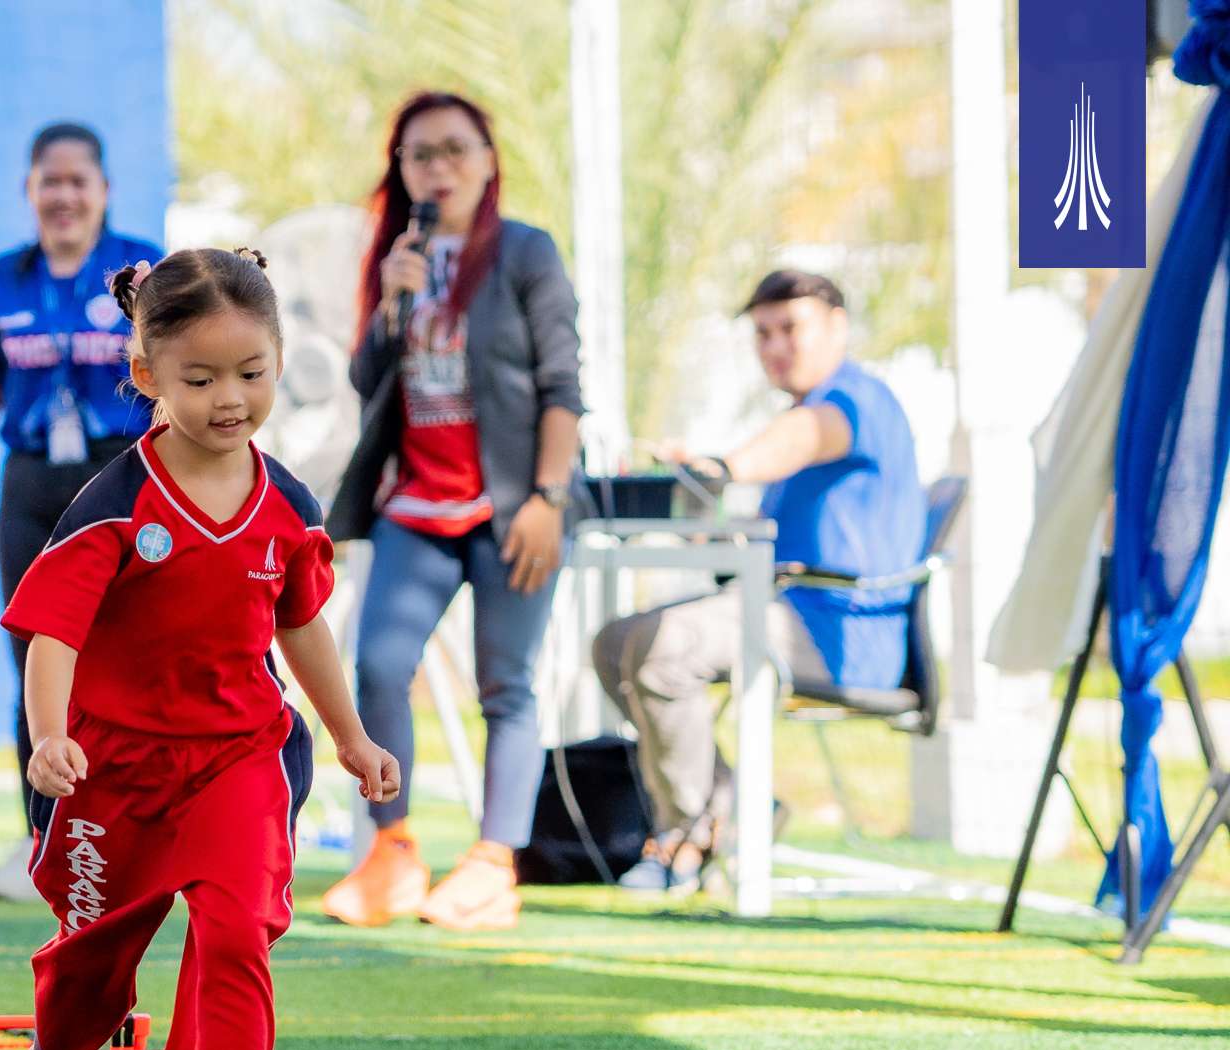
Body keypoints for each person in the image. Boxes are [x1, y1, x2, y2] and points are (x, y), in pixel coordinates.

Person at [0, 248, 400, 1050]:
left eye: (251, 372)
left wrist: (350, 736)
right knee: (91, 973)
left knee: (235, 935)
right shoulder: (112, 503)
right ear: (144, 377)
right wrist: (49, 738)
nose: (231, 399)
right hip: (112, 775)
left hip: (238, 761)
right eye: (201, 378)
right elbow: (56, 635)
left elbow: (298, 624)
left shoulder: (288, 506)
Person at [320, 91, 585, 934]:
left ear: (488, 158)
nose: (439, 167)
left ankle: (493, 862)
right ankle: (391, 848)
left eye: (455, 149)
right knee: (377, 667)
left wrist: (547, 498)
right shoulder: (395, 255)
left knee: (505, 682)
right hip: (417, 505)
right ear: (401, 171)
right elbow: (367, 383)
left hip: (511, 509)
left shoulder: (525, 253)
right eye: (420, 155)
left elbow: (562, 388)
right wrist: (393, 303)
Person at [592, 269, 925, 890]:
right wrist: (694, 508)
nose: (775, 347)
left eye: (790, 328)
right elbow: (752, 545)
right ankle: (739, 809)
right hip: (781, 608)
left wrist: (721, 468)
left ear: (837, 325)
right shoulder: (800, 423)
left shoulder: (854, 401)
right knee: (615, 643)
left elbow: (804, 436)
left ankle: (687, 840)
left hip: (843, 631)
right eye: (763, 334)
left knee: (664, 646)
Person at [0, 121, 161, 903]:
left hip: (122, 477)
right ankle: (44, 838)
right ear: (29, 191)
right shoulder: (2, 279)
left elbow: (182, 374)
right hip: (30, 485)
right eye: (50, 181)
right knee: (36, 661)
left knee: (128, 660)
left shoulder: (142, 271)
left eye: (79, 181)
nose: (64, 195)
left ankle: (134, 834)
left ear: (103, 190)